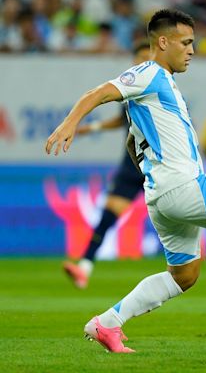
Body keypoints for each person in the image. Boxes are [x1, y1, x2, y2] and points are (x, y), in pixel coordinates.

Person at [45, 9, 206, 354]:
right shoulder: (149, 73)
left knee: (184, 275)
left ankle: (106, 324)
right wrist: (70, 123)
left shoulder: (160, 85)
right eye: (186, 42)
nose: (192, 50)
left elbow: (132, 140)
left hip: (161, 196)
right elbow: (97, 93)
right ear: (163, 41)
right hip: (184, 186)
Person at [63, 41, 150, 289]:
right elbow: (121, 120)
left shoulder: (162, 90)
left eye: (147, 59)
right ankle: (84, 268)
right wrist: (94, 127)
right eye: (139, 60)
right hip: (132, 166)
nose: (142, 65)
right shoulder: (130, 91)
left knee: (177, 217)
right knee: (107, 216)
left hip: (158, 167)